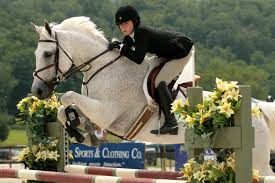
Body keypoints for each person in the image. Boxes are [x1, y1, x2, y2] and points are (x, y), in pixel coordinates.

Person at [108, 5, 194, 135]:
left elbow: (138, 58)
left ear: (134, 22)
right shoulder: (130, 37)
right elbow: (125, 50)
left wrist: (120, 47)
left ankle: (171, 123)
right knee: (149, 69)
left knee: (159, 81)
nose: (123, 27)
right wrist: (116, 45)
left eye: (126, 23)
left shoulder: (141, 33)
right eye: (120, 25)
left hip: (181, 50)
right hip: (166, 53)